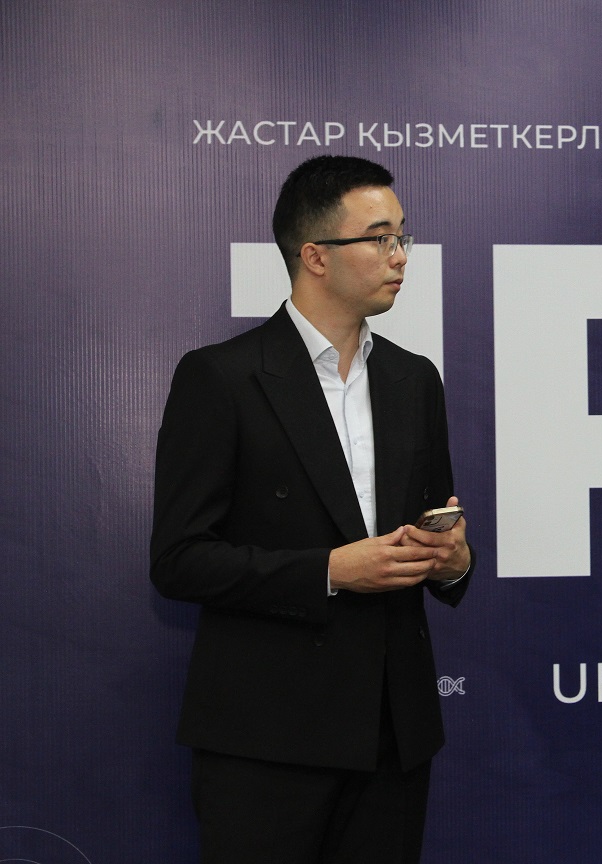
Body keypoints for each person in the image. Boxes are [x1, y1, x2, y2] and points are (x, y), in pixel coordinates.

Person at [151, 154, 473, 864]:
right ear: (315, 256)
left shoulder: (414, 379)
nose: (400, 256)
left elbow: (438, 528)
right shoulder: (221, 378)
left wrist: (453, 560)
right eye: (380, 239)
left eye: (403, 237)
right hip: (267, 738)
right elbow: (178, 560)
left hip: (394, 734)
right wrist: (329, 570)